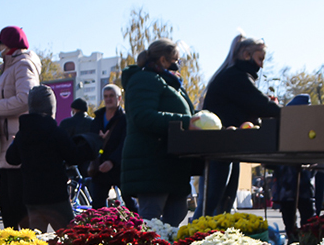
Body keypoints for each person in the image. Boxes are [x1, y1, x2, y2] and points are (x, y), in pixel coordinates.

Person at [192, 33, 281, 219]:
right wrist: (285, 113)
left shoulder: (232, 75)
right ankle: (198, 232)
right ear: (247, 55)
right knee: (213, 202)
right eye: (260, 59)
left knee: (221, 201)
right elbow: (259, 104)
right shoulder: (236, 77)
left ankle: (208, 231)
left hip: (225, 147)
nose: (261, 65)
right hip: (220, 147)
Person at [120, 38, 199, 227]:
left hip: (171, 164)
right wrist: (186, 122)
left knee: (177, 215)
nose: (178, 65)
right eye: (176, 60)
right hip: (152, 163)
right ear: (163, 60)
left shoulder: (169, 82)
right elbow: (143, 116)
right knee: (151, 219)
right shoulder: (144, 79)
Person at [6, 85, 90, 232]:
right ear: (51, 108)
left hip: (32, 197)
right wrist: (90, 144)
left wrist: (16, 144)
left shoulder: (22, 134)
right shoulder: (56, 132)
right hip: (55, 196)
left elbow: (11, 158)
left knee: (37, 239)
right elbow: (74, 156)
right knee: (70, 236)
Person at [0, 25, 41, 229]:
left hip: (17, 147)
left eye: (0, 42)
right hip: (5, 149)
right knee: (7, 205)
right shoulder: (9, 68)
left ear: (8, 44)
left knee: (17, 206)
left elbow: (27, 98)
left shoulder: (23, 65)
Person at [88, 84, 137, 212]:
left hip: (121, 168)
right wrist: (99, 139)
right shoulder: (97, 119)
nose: (108, 99)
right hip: (100, 168)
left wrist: (112, 161)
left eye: (111, 96)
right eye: (106, 96)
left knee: (131, 204)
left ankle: (139, 224)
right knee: (98, 207)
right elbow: (90, 140)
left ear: (119, 98)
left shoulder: (125, 119)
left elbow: (126, 143)